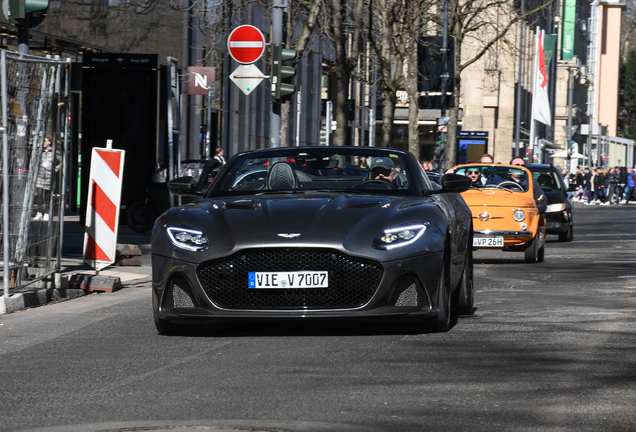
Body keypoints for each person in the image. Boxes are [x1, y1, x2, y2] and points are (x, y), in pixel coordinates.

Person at [34, 134, 61, 221]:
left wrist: (57, 168)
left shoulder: (54, 152)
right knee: (39, 195)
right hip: (39, 177)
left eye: (45, 141)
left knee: (47, 196)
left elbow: (62, 162)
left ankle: (47, 213)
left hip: (49, 177)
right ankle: (39, 212)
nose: (43, 143)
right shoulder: (39, 152)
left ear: (49, 142)